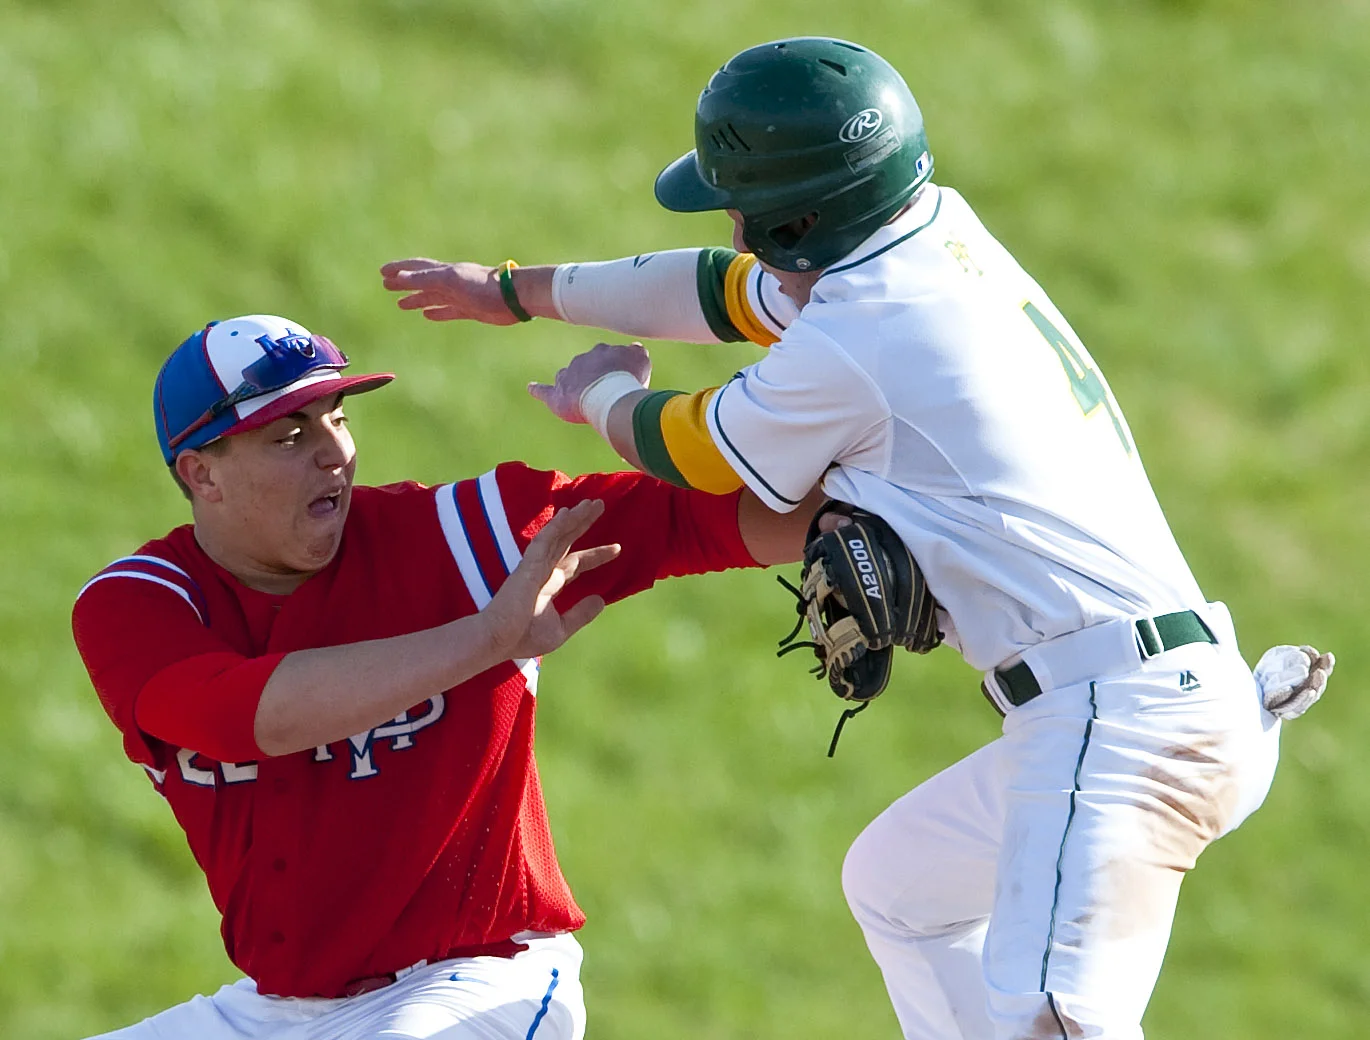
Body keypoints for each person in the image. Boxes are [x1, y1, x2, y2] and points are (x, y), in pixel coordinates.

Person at [379, 37, 1334, 1039]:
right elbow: (713, 289)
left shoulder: (858, 335)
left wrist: (600, 392)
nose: (730, 217)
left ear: (798, 217)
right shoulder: (927, 239)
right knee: (900, 886)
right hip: (1150, 700)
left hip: (1121, 722)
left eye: (739, 198)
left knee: (1055, 1020)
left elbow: (699, 446)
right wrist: (514, 289)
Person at [71, 313, 821, 1040]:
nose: (332, 452)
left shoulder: (469, 538)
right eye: (289, 436)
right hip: (276, 1010)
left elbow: (703, 518)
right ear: (202, 475)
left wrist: (902, 517)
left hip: (477, 978)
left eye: (335, 417)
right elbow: (245, 717)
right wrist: (487, 638)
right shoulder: (138, 601)